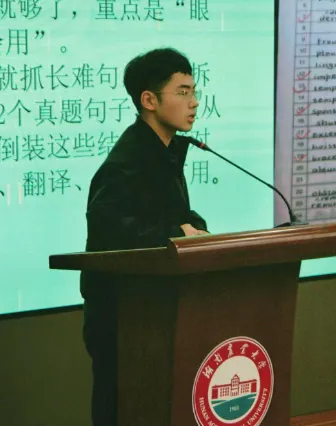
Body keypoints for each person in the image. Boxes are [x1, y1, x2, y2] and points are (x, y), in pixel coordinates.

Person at [79, 47, 209, 426]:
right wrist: (175, 234)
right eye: (182, 92)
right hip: (125, 316)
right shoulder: (129, 159)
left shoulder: (164, 151)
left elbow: (175, 215)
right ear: (149, 100)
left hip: (157, 309)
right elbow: (108, 229)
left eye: (194, 92)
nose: (194, 102)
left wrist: (195, 229)